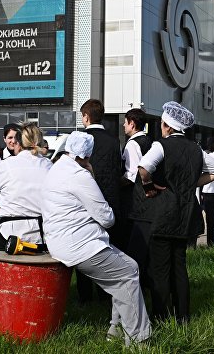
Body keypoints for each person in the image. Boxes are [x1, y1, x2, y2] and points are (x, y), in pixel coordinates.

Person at [41, 131, 151, 346]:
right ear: (86, 156)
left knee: (130, 266)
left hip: (62, 241)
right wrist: (91, 177)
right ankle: (139, 340)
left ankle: (116, 330)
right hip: (81, 245)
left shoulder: (56, 169)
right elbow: (107, 218)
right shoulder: (79, 176)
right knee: (127, 275)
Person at [137, 101, 214, 322]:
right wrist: (192, 183)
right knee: (179, 267)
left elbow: (143, 169)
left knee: (160, 269)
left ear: (166, 126)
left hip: (164, 213)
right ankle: (183, 316)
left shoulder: (160, 146)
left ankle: (160, 317)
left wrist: (149, 187)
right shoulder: (196, 148)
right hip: (186, 213)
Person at [78, 98, 122, 303]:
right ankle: (106, 295)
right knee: (106, 249)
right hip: (109, 202)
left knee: (84, 249)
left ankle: (85, 297)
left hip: (83, 203)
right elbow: (117, 171)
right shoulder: (114, 141)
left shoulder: (79, 139)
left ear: (86, 117)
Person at [0, 123, 52, 245]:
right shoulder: (49, 166)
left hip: (8, 234)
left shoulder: (4, 166)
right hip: (43, 234)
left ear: (18, 143)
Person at [121, 108, 152, 281]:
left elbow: (132, 174)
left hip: (134, 199)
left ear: (132, 123)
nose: (124, 125)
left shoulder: (132, 144)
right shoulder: (148, 141)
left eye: (125, 122)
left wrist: (117, 183)